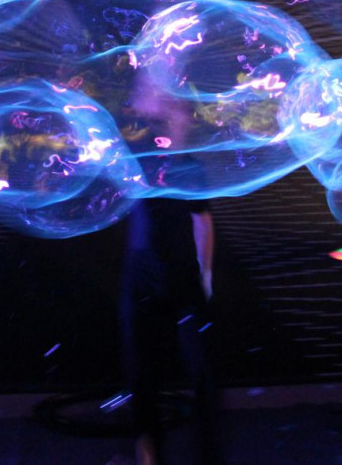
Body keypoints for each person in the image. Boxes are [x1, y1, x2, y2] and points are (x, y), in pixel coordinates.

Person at [119, 73, 220, 465]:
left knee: (202, 374)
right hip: (141, 281)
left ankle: (207, 455)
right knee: (141, 377)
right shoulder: (140, 159)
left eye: (180, 114)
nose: (177, 121)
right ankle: (148, 457)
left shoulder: (191, 168)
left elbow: (202, 220)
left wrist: (205, 277)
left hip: (182, 279)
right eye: (170, 114)